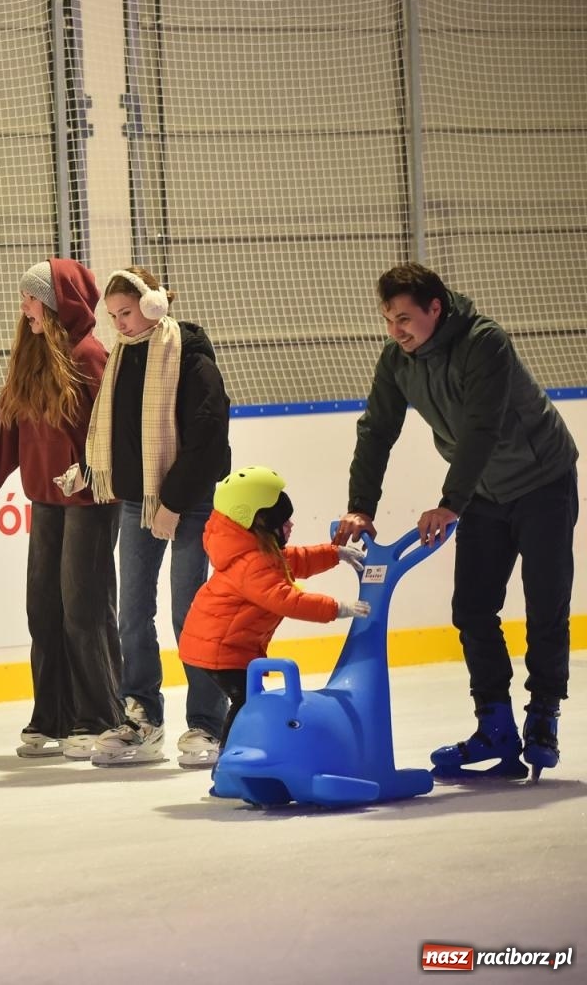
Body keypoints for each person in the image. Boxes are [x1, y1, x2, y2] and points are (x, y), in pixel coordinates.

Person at [334, 263, 578, 779]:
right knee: (471, 610)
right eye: (387, 320)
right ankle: (495, 726)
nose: (395, 330)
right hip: (484, 494)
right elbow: (376, 430)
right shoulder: (397, 361)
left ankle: (543, 717)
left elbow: (481, 427)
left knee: (545, 604)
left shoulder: (483, 341)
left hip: (542, 482)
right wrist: (362, 505)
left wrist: (450, 502)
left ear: (435, 308)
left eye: (404, 318)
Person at [0, 258, 121, 759]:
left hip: (89, 501)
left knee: (82, 609)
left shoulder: (89, 356)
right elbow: (6, 427)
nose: (24, 309)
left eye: (32, 299)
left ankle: (99, 715)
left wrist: (90, 471)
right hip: (46, 500)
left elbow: (108, 432)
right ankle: (54, 715)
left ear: (58, 302)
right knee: (43, 609)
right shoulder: (31, 356)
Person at [62, 267, 233, 769]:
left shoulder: (190, 357)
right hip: (139, 502)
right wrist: (90, 470)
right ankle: (141, 716)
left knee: (190, 614)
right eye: (113, 316)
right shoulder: (122, 359)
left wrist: (175, 503)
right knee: (133, 614)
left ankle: (207, 721)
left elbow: (208, 439)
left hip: (190, 503)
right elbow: (120, 434)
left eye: (128, 313)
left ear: (154, 305)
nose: (121, 324)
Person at [179, 467, 369, 747]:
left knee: (249, 698)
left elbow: (294, 560)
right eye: (284, 520)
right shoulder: (251, 564)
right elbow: (287, 600)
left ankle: (237, 752)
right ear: (260, 521)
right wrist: (338, 608)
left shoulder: (254, 552)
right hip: (220, 648)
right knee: (246, 700)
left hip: (222, 644)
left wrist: (335, 553)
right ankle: (230, 757)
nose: (291, 525)